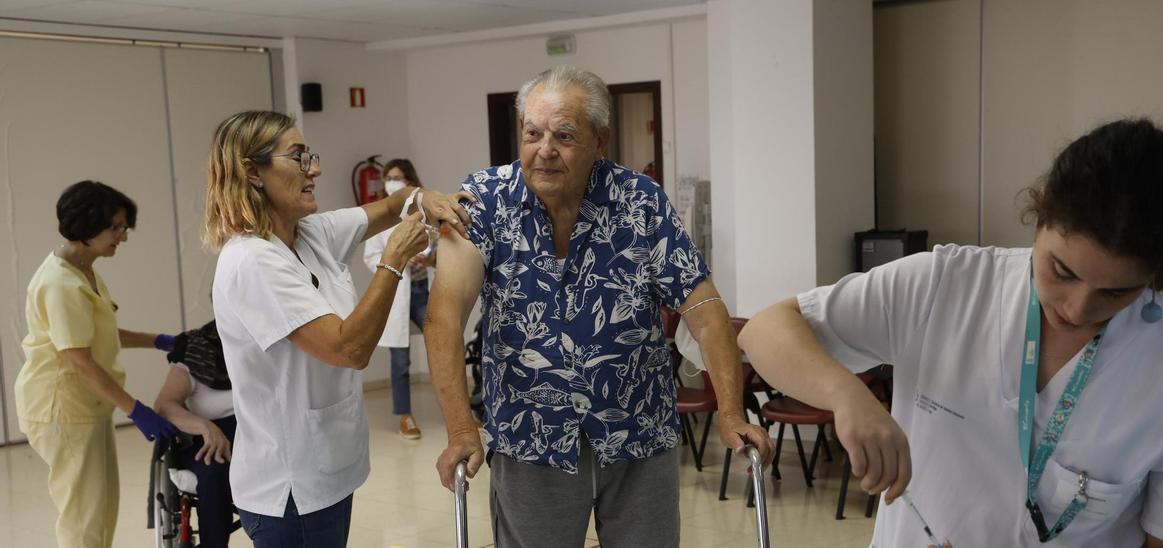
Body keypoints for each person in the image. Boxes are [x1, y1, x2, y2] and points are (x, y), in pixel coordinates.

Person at [740, 119, 1163, 547]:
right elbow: (764, 331)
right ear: (1040, 212)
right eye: (1062, 272)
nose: (1076, 308)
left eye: (1115, 294)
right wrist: (846, 394)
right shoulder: (945, 285)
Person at [425, 66, 773, 547]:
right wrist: (462, 428)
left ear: (599, 140)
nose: (544, 149)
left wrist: (731, 412)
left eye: (564, 135)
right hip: (532, 440)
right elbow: (444, 316)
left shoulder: (640, 202)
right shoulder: (484, 202)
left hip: (638, 435)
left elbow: (706, 307)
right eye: (532, 133)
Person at [203, 110, 470, 546]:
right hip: (291, 487)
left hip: (326, 467)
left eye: (311, 155)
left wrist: (426, 200)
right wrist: (393, 260)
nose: (316, 168)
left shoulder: (308, 233)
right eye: (298, 157)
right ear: (252, 171)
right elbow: (349, 349)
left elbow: (389, 206)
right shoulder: (252, 261)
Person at [15, 180, 179, 548]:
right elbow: (80, 360)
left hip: (87, 405)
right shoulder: (60, 283)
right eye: (115, 227)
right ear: (87, 226)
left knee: (102, 508)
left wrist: (157, 340)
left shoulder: (83, 270)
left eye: (124, 227)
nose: (121, 236)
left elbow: (97, 332)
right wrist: (135, 409)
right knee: (83, 517)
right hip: (63, 410)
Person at [362, 158, 434, 439]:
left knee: (442, 344)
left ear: (410, 182)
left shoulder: (422, 209)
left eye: (398, 177)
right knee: (400, 360)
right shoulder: (379, 216)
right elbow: (370, 256)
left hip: (421, 291)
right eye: (388, 177)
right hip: (395, 290)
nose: (392, 181)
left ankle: (462, 410)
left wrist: (424, 258)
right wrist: (399, 260)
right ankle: (405, 416)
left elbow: (433, 243)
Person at [153, 320, 237, 547]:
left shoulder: (265, 340)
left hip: (260, 434)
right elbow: (164, 406)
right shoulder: (195, 348)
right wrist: (205, 427)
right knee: (213, 469)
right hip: (210, 437)